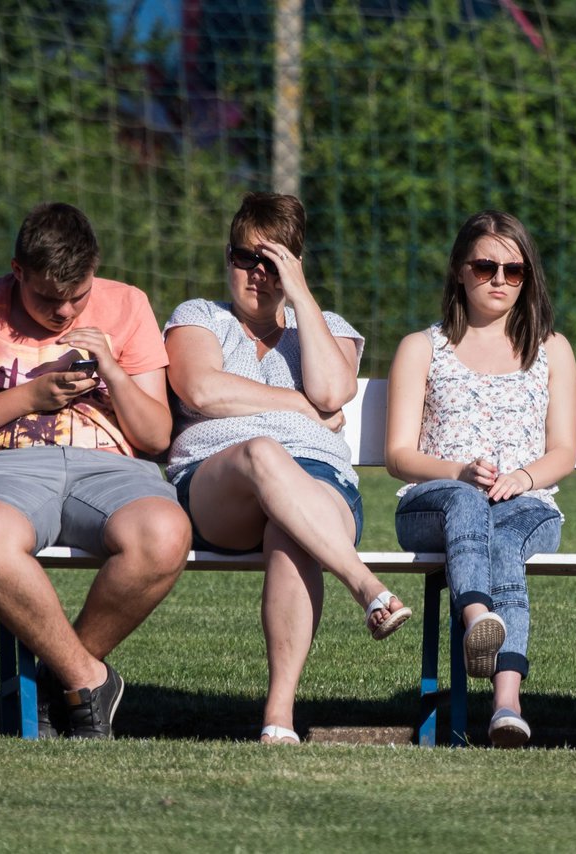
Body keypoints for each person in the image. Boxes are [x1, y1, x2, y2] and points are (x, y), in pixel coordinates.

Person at [0, 202, 191, 739]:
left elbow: (157, 437)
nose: (64, 312)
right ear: (18, 271)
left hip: (110, 468)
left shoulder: (127, 304)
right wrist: (30, 396)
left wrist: (112, 369)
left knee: (165, 533)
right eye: (47, 297)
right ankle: (88, 679)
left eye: (77, 297)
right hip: (2, 466)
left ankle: (58, 679)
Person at [163, 191, 412, 745]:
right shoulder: (198, 317)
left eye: (271, 262)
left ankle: (278, 719)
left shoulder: (325, 328)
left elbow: (332, 388)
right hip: (218, 482)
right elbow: (201, 388)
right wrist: (299, 407)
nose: (255, 274)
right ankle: (366, 586)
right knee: (262, 452)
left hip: (321, 484)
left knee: (291, 528)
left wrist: (299, 294)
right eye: (243, 258)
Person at [385, 210, 576, 748]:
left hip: (525, 503)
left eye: (513, 271)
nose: (498, 280)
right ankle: (478, 619)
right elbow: (398, 455)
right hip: (435, 504)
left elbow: (564, 451)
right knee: (467, 504)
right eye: (485, 266)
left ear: (528, 278)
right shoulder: (422, 348)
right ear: (459, 271)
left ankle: (506, 707)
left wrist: (522, 476)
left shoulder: (551, 349)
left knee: (507, 534)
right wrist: (458, 472)